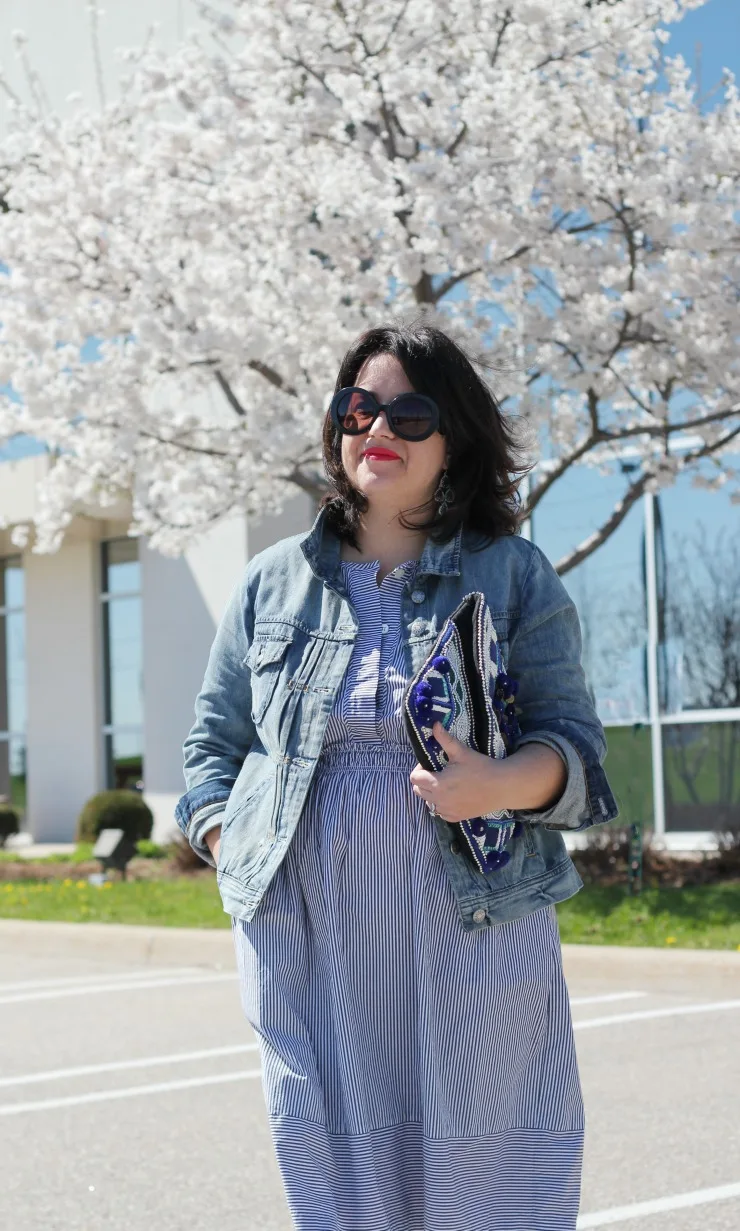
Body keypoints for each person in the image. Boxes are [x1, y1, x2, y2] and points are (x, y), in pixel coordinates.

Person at [175, 322, 617, 1231]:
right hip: (308, 928)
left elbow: (575, 751)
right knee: (330, 1154)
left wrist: (496, 784)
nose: (378, 426)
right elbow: (210, 750)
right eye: (358, 406)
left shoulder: (512, 572)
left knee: (485, 1161)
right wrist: (231, 842)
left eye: (410, 412)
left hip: (473, 924)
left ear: (453, 438)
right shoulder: (272, 585)